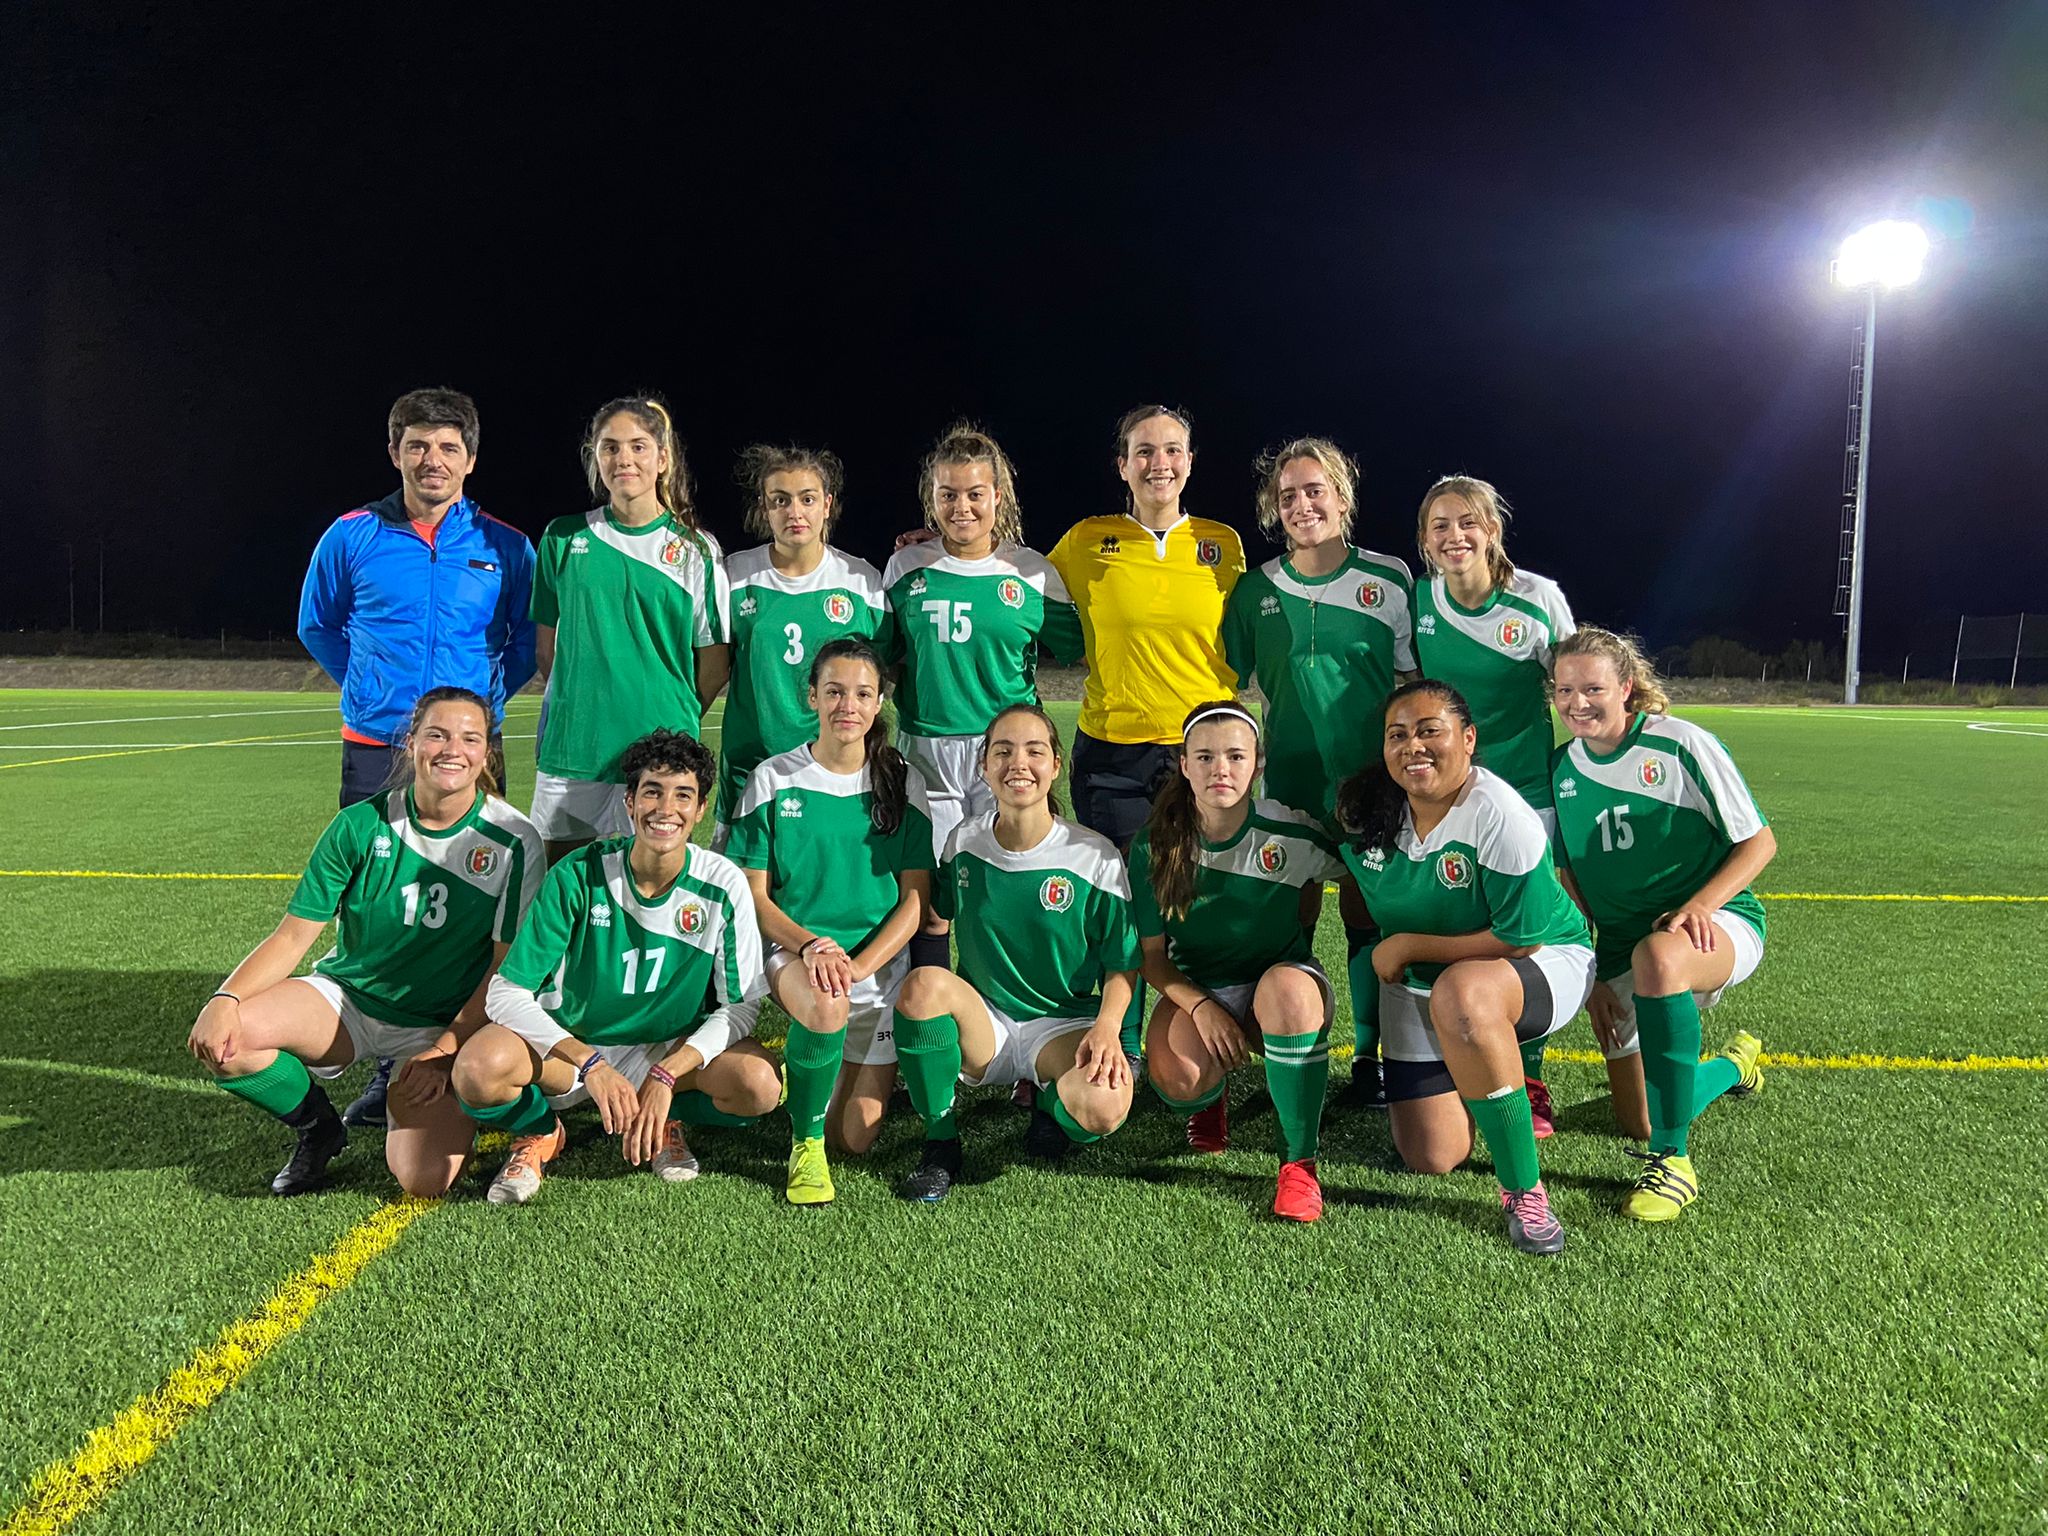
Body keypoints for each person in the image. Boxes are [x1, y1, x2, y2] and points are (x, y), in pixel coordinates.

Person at [186, 688, 541, 1197]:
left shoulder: (513, 839)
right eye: (436, 734)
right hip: (348, 999)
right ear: (411, 742)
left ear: (487, 753)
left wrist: (445, 1051)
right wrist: (225, 998)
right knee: (230, 1040)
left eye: (469, 738)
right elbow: (292, 937)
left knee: (425, 1180)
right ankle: (318, 1130)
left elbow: (502, 970)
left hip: (436, 1024)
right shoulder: (359, 824)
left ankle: (417, 1089)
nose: (451, 750)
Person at [297, 386, 537, 1128]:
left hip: (473, 749)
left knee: (475, 901)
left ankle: (456, 1042)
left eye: (447, 447)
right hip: (379, 747)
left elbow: (526, 644)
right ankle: (385, 1061)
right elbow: (319, 625)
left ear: (470, 458)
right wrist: (373, 696)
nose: (432, 460)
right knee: (376, 905)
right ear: (395, 452)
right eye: (417, 445)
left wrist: (478, 712)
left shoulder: (505, 545)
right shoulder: (352, 535)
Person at [451, 729, 777, 1206]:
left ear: (701, 810)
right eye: (652, 791)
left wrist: (668, 1074)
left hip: (664, 1050)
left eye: (683, 795)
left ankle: (665, 1115)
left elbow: (743, 1008)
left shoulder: (721, 884)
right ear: (629, 801)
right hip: (573, 1053)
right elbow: (505, 993)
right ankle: (540, 1132)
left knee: (760, 1084)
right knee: (478, 1071)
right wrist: (590, 1061)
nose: (666, 809)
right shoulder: (581, 873)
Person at [1337, 680, 1595, 1255]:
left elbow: (1517, 939)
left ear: (1468, 738)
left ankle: (1524, 1192)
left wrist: (1405, 945)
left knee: (1465, 995)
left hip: (1542, 961)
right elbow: (1350, 894)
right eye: (1398, 735)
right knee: (1432, 1157)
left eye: (1431, 731)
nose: (1414, 747)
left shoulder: (1503, 816)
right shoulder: (1370, 813)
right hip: (1429, 981)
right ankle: (1478, 1070)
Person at [1550, 627, 1774, 1221]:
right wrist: (1593, 973)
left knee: (1660, 955)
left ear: (1626, 687)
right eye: (1565, 689)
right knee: (1637, 1117)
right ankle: (1733, 1065)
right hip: (1623, 947)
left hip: (1715, 923)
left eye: (1593, 688)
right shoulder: (1560, 768)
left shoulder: (1681, 744)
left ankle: (1672, 1163)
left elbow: (1759, 843)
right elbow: (1569, 880)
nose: (1578, 702)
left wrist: (1702, 904)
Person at [1221, 437, 1416, 1110]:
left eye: (1314, 490)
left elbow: (1416, 682)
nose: (1301, 504)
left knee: (1368, 911)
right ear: (1272, 510)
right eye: (1287, 495)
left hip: (1371, 785)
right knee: (1291, 912)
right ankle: (1292, 1051)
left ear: (1341, 496)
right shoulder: (1255, 590)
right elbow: (1229, 684)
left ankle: (1370, 1057)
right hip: (1290, 788)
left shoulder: (1390, 580)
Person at [889, 704, 1140, 1202]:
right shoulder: (964, 841)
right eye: (1002, 751)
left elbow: (1123, 962)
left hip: (1062, 1026)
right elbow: (935, 915)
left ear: (1056, 764)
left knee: (1102, 1108)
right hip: (989, 1023)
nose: (1017, 764)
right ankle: (940, 1145)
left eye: (1033, 751)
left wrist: (1112, 1030)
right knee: (920, 989)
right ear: (984, 766)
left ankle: (1049, 1102)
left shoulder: (1094, 856)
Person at [725, 639, 935, 1204]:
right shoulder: (774, 778)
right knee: (825, 1004)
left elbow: (915, 901)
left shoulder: (902, 780)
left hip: (875, 964)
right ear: (812, 696)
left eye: (863, 694)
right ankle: (805, 1145)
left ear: (878, 704)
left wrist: (861, 964)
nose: (848, 705)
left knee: (859, 1136)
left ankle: (816, 1067)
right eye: (835, 691)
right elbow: (753, 893)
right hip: (796, 953)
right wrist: (813, 946)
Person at [880, 423, 1083, 974]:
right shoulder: (905, 568)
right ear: (932, 499)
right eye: (948, 494)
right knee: (932, 902)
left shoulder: (1033, 572)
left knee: (1009, 880)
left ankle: (1011, 1010)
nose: (962, 506)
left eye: (975, 493)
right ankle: (933, 1017)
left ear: (998, 495)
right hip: (926, 752)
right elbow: (885, 655)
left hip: (1007, 751)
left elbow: (1088, 643)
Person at [1129, 703, 1345, 1221]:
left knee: (1288, 992)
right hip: (1199, 987)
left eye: (1234, 756)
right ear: (1183, 765)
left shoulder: (1293, 833)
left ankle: (1298, 1166)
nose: (1219, 769)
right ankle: (1210, 1096)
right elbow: (1152, 960)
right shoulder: (1153, 845)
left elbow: (1358, 877)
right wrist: (1202, 1008)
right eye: (1203, 757)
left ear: (1258, 764)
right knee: (1178, 1078)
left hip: (1282, 985)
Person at [1411, 474, 1576, 1137]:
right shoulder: (1419, 600)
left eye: (1467, 522)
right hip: (1449, 798)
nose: (1455, 536)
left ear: (1493, 529)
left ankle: (1529, 1078)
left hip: (1525, 798)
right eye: (1440, 526)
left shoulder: (1537, 599)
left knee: (1521, 939)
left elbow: (1575, 684)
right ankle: (1462, 1058)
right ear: (1425, 541)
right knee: (1462, 921)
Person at [529, 397, 730, 865]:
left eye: (638, 446)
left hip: (657, 753)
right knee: (559, 887)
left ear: (662, 459)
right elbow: (546, 650)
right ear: (595, 458)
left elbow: (715, 662)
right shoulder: (563, 537)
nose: (624, 459)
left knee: (646, 886)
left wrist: (665, 706)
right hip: (572, 751)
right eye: (610, 447)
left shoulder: (695, 549)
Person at [1047, 404, 1246, 850]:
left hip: (1202, 745)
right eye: (1144, 452)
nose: (1160, 464)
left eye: (1172, 450)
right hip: (1111, 751)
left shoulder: (1224, 543)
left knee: (1198, 896)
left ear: (1190, 461)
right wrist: (945, 546)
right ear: (1123, 466)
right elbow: (1017, 578)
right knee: (1124, 896)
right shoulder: (1086, 539)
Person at [714, 444, 886, 848]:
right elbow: (712, 665)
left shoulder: (861, 581)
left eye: (807, 499)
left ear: (826, 504)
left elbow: (887, 667)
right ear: (764, 507)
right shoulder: (732, 576)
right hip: (750, 768)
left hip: (837, 772)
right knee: (740, 898)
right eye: (780, 500)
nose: (795, 512)